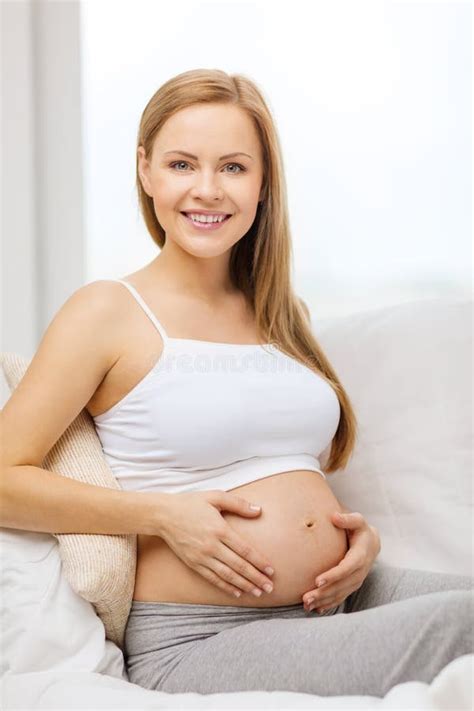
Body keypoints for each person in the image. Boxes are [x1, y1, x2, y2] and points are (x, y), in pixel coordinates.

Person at [2, 68, 472, 698]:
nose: (207, 190)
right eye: (180, 164)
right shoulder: (107, 311)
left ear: (262, 183)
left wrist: (356, 538)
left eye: (232, 167)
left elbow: (279, 463)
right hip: (204, 635)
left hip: (340, 595)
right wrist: (162, 517)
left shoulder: (281, 314)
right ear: (145, 172)